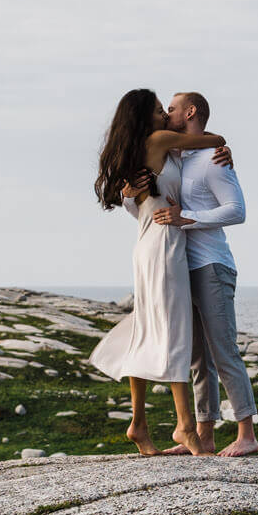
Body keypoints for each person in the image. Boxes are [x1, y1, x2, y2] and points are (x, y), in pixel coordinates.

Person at [88, 88, 227, 456]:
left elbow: (139, 201)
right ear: (144, 117)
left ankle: (139, 424)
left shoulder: (145, 148)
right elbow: (212, 137)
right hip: (164, 248)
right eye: (158, 110)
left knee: (148, 329)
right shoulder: (160, 138)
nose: (165, 115)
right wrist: (221, 146)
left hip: (150, 245)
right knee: (174, 332)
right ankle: (186, 428)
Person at [148, 91, 257, 456]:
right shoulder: (179, 155)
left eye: (173, 108)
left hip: (212, 265)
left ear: (190, 112)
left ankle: (247, 434)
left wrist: (188, 219)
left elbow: (237, 210)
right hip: (182, 268)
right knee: (197, 359)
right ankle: (204, 435)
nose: (168, 113)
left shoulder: (213, 158)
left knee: (224, 351)